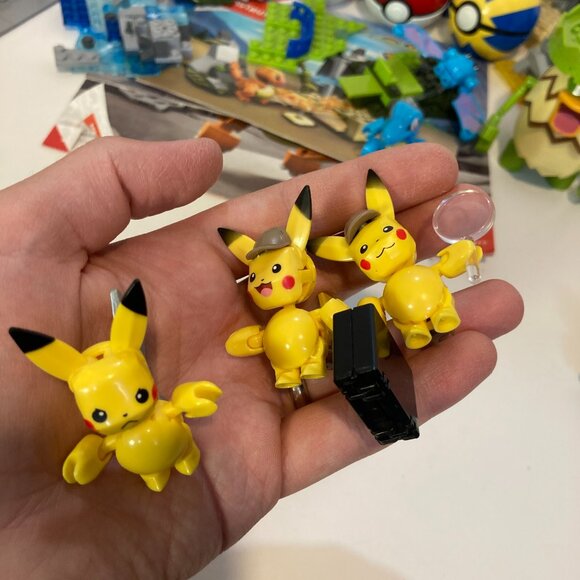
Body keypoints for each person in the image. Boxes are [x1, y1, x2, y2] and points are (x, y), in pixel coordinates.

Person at [0, 137, 523, 577]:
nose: (274, 281)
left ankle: (423, 325)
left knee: (390, 339)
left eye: (280, 269)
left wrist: (372, 312)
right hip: (253, 383)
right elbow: (222, 366)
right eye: (261, 276)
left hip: (384, 317)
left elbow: (353, 312)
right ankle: (303, 370)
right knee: (316, 359)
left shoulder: (343, 294)